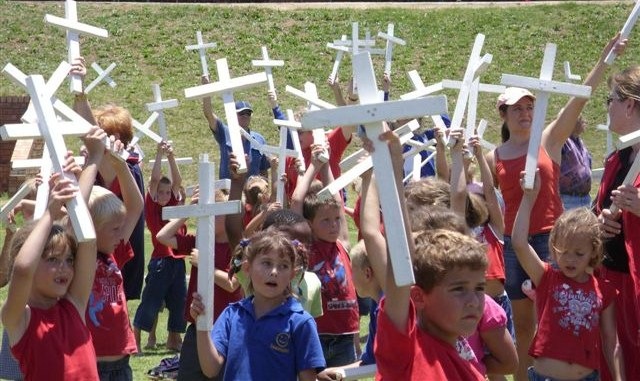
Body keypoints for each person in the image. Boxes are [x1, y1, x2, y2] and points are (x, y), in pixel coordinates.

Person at [486, 35, 627, 380]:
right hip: (515, 241)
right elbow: (490, 202)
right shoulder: (495, 156)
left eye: (529, 107)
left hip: (554, 239)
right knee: (523, 323)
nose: (524, 113)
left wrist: (604, 60)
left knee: (559, 314)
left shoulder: (548, 139)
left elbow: (577, 103)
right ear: (503, 114)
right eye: (516, 108)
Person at [1, 128, 104, 380]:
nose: (65, 268)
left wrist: (93, 160)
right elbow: (23, 269)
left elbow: (88, 241)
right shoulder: (19, 319)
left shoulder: (73, 305)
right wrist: (50, 212)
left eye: (68, 260)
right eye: (53, 260)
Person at [513, 171, 622, 380]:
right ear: (554, 250)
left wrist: (618, 377)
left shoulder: (604, 291)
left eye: (579, 253)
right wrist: (528, 197)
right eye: (563, 252)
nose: (570, 259)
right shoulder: (546, 277)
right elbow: (518, 243)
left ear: (594, 251)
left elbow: (610, 341)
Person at [189, 229, 326, 381]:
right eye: (266, 263)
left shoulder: (300, 322)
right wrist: (201, 324)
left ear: (292, 275)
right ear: (247, 269)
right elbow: (210, 369)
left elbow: (308, 378)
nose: (274, 272)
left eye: (283, 266)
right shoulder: (232, 314)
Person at [72, 57, 146, 301]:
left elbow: (135, 208)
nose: (111, 143)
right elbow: (89, 133)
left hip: (116, 256)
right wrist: (80, 93)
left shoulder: (129, 169)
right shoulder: (93, 165)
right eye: (106, 136)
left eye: (118, 138)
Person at [156, 187, 243, 381]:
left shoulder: (237, 247)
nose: (209, 216)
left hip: (225, 329)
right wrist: (190, 210)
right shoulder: (200, 242)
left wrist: (205, 264)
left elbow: (233, 284)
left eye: (215, 212)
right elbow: (163, 237)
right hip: (197, 327)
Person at [291, 144, 359, 368]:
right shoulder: (306, 247)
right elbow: (297, 202)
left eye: (336, 220)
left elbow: (338, 202)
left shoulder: (342, 244)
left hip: (345, 335)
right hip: (315, 334)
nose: (333, 226)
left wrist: (328, 164)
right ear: (309, 224)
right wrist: (314, 165)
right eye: (325, 221)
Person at [85, 138, 144, 380]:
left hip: (121, 362)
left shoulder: (113, 252)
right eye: (114, 229)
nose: (122, 234)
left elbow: (136, 206)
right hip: (91, 363)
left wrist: (122, 167)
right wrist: (91, 163)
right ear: (91, 228)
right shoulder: (80, 256)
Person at [595, 64, 640, 380]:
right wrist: (599, 223)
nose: (607, 106)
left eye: (611, 99)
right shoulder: (618, 156)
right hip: (612, 277)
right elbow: (602, 208)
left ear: (630, 104)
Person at [133, 141, 187, 354]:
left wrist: (171, 157)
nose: (164, 195)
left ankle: (174, 338)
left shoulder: (173, 204)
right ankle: (136, 337)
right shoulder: (154, 205)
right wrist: (158, 154)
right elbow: (155, 180)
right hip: (160, 262)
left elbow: (178, 181)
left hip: (178, 260)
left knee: (179, 301)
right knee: (151, 301)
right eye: (161, 192)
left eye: (167, 192)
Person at [316, 240, 382, 381]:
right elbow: (370, 362)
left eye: (352, 271)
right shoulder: (376, 307)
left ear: (367, 273)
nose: (350, 277)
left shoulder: (386, 309)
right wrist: (332, 371)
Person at [201, 75, 270, 180]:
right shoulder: (224, 132)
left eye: (248, 113)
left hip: (251, 193)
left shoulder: (259, 140)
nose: (245, 115)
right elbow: (208, 114)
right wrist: (206, 88)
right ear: (233, 115)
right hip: (229, 192)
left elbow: (264, 170)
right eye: (241, 113)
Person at [559, 114, 593, 210]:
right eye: (580, 119)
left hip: (585, 199)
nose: (584, 122)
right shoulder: (562, 141)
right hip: (569, 200)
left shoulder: (580, 142)